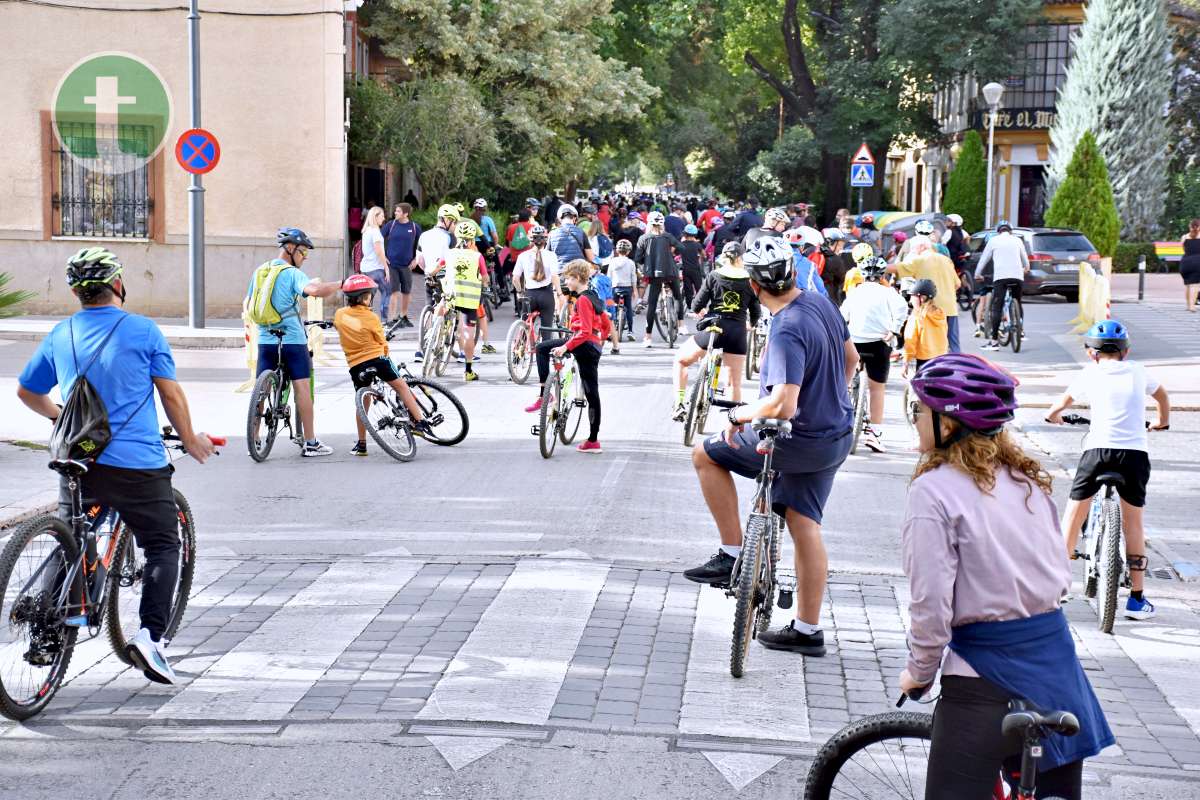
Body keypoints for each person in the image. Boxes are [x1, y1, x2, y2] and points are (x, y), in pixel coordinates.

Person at [901, 353, 1114, 800]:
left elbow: (931, 603)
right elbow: (1059, 577)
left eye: (921, 410)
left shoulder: (932, 491)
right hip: (1056, 674)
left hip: (982, 681)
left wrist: (919, 673)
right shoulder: (1027, 482)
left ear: (949, 423)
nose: (917, 418)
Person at [17, 247, 217, 685]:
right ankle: (150, 639)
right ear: (118, 285)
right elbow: (171, 395)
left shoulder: (61, 332)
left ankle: (49, 628)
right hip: (136, 465)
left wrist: (61, 418)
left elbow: (27, 392)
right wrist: (190, 439)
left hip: (77, 458)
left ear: (75, 291)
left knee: (72, 537)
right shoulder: (143, 330)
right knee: (164, 544)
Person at [684, 236, 858, 657]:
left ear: (756, 290)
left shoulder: (785, 328)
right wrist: (832, 399)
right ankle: (807, 630)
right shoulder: (820, 304)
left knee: (706, 454)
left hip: (796, 440)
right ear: (794, 274)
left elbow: (783, 403)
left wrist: (735, 415)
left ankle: (731, 552)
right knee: (804, 525)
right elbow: (851, 360)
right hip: (835, 435)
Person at [1045, 320, 1170, 620]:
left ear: (1091, 353)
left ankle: (1057, 590)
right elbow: (1162, 396)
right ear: (1126, 352)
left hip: (1097, 451)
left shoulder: (1089, 373)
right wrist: (1161, 422)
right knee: (1134, 523)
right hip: (1134, 455)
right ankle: (1137, 599)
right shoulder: (1139, 371)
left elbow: (1055, 408)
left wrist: (1055, 418)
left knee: (1073, 516)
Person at [246, 228, 341, 456]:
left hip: (266, 339)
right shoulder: (291, 273)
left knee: (262, 389)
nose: (304, 258)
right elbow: (314, 290)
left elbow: (249, 301)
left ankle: (254, 440)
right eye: (303, 253)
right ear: (291, 248)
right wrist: (341, 283)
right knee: (302, 388)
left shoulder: (260, 270)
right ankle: (310, 442)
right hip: (292, 339)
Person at [333, 274, 430, 456]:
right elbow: (381, 341)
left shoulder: (340, 314)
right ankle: (419, 422)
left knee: (363, 400)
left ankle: (362, 444)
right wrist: (385, 351)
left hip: (356, 365)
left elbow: (338, 327)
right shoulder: (371, 317)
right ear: (365, 297)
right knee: (401, 386)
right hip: (378, 360)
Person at [527, 260, 612, 453]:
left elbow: (584, 331)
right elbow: (606, 323)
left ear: (578, 278)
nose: (566, 281)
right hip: (591, 345)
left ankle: (592, 440)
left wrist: (565, 346)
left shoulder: (582, 300)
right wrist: (602, 341)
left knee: (542, 349)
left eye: (568, 278)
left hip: (583, 345)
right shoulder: (593, 295)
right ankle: (547, 392)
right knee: (591, 392)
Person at [671, 244, 761, 420]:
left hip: (714, 328)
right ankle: (733, 425)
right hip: (737, 333)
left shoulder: (714, 276)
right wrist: (750, 324)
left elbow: (696, 304)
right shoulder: (750, 281)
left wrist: (702, 313)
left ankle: (679, 403)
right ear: (741, 259)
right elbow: (756, 312)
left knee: (681, 361)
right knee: (733, 384)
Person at [840, 257, 908, 453]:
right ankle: (875, 433)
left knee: (843, 381)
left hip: (854, 341)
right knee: (877, 388)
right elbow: (902, 308)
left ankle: (837, 422)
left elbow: (843, 315)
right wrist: (894, 329)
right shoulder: (889, 293)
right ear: (882, 276)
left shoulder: (854, 292)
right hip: (879, 342)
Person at [434, 219, 490, 382]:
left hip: (451, 296)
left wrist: (430, 275)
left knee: (441, 305)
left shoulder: (449, 253)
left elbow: (436, 269)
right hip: (469, 301)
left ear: (456, 238)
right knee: (468, 334)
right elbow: (485, 278)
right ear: (472, 240)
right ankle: (468, 371)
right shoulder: (477, 256)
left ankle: (435, 332)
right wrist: (485, 284)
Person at [890, 238, 961, 352]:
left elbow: (897, 268)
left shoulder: (919, 260)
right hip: (950, 307)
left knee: (931, 345)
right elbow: (957, 284)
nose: (913, 251)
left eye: (913, 249)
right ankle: (957, 366)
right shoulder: (946, 260)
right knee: (953, 343)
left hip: (932, 308)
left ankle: (934, 367)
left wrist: (878, 267)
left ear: (922, 246)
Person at [974, 220, 1028, 352]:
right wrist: (1026, 268)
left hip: (1001, 277)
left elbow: (983, 259)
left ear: (998, 231)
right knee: (1018, 302)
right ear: (1010, 231)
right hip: (1017, 276)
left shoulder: (994, 241)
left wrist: (977, 274)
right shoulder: (1017, 240)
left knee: (996, 308)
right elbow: (1025, 260)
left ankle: (994, 342)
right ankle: (1020, 329)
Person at [635, 211, 685, 346]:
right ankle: (681, 325)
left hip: (654, 274)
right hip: (670, 271)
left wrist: (646, 261)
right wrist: (673, 252)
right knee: (677, 296)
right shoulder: (668, 236)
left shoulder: (644, 238)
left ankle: (648, 337)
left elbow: (638, 258)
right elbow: (681, 247)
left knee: (652, 304)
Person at [513, 225, 565, 349]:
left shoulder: (523, 256)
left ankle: (520, 348)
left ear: (530, 240)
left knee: (525, 322)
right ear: (545, 240)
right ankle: (545, 355)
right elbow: (554, 277)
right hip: (546, 295)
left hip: (530, 295)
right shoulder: (551, 255)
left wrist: (520, 292)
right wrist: (559, 294)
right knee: (547, 328)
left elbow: (515, 278)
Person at [380, 202, 422, 327]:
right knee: (394, 292)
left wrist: (416, 260)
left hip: (407, 266)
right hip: (392, 265)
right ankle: (391, 319)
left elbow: (421, 245)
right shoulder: (391, 225)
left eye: (398, 211)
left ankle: (403, 316)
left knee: (406, 292)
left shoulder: (414, 227)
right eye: (396, 211)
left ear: (405, 214)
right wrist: (384, 257)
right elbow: (378, 239)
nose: (395, 213)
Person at [903, 278, 948, 375]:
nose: (910, 300)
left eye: (913, 296)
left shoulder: (917, 317)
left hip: (924, 361)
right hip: (941, 358)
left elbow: (910, 340)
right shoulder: (941, 313)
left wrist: (906, 361)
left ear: (922, 298)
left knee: (925, 389)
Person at [358, 206, 392, 322]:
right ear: (375, 217)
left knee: (368, 296)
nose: (384, 218)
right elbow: (378, 251)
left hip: (366, 268)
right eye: (382, 216)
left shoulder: (366, 231)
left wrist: (384, 257)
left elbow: (374, 249)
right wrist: (386, 268)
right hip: (376, 269)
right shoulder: (375, 232)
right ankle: (384, 320)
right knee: (387, 291)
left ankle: (366, 319)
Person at [608, 239, 639, 343]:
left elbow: (609, 276)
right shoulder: (631, 263)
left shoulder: (612, 261)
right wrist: (635, 291)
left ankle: (610, 330)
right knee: (629, 308)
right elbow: (633, 277)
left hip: (615, 287)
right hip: (627, 287)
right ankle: (630, 331)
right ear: (628, 251)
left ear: (617, 250)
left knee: (612, 308)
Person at [416, 204, 460, 276]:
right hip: (446, 280)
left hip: (429, 278)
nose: (455, 226)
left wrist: (430, 271)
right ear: (447, 220)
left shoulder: (423, 235)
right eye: (454, 222)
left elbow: (420, 261)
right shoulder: (451, 237)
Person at [678, 224, 706, 307]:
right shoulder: (697, 245)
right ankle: (700, 305)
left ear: (684, 234)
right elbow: (704, 255)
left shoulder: (681, 244)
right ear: (695, 235)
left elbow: (676, 254)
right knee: (699, 288)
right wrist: (701, 257)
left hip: (686, 270)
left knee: (688, 289)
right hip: (696, 270)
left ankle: (690, 305)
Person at [1180, 218, 1200, 312]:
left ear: (1190, 227)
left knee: (1188, 285)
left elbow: (1184, 249)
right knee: (1195, 285)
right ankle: (1192, 306)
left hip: (1185, 263)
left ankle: (1188, 305)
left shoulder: (1184, 237)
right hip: (1197, 263)